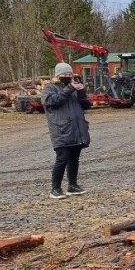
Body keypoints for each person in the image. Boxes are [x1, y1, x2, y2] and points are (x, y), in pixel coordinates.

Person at [42, 62, 92, 199]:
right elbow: (52, 102)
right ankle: (55, 188)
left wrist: (81, 92)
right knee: (62, 159)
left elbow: (86, 105)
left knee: (74, 158)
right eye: (65, 74)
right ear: (57, 75)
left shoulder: (73, 89)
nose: (68, 76)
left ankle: (73, 185)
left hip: (77, 129)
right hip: (61, 130)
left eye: (70, 74)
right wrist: (70, 88)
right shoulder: (49, 88)